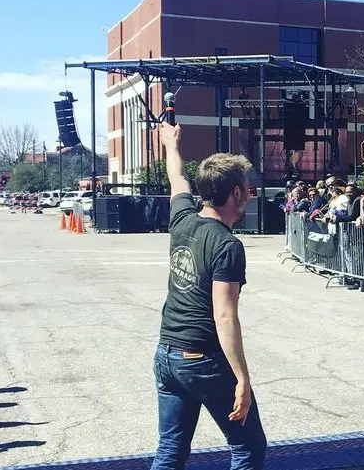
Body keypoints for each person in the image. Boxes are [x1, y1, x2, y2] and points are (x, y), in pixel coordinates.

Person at [149, 122, 267, 470]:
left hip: (167, 354)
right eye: (247, 188)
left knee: (171, 449)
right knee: (248, 448)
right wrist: (242, 378)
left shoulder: (182, 218)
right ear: (235, 193)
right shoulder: (228, 245)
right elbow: (225, 315)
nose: (249, 194)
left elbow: (177, 179)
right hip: (203, 359)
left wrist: (172, 145)